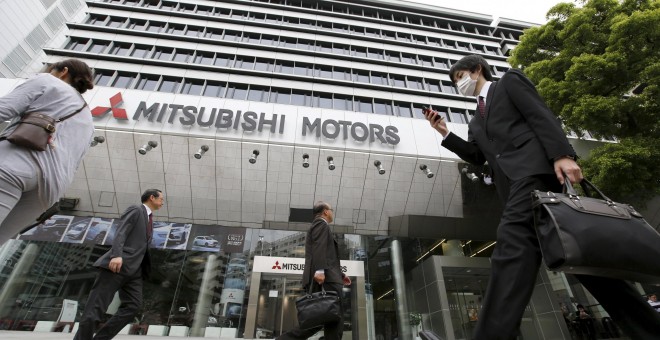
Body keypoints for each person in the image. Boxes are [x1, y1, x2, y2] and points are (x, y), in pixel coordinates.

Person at [422, 54, 660, 339]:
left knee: (511, 245)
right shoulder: (475, 121)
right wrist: (445, 132)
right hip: (513, 190)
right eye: (454, 83)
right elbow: (477, 156)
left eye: (459, 77)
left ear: (476, 70)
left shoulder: (509, 83)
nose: (457, 84)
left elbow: (539, 114)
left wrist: (562, 154)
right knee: (586, 264)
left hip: (536, 175)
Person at [0, 59, 94, 244]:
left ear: (63, 72)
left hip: (14, 164)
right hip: (47, 192)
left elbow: (3, 110)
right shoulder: (89, 121)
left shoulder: (48, 81)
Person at [73, 189, 164, 340]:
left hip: (135, 271)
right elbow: (121, 231)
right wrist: (116, 255)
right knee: (96, 308)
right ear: (152, 198)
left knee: (133, 306)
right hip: (117, 265)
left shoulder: (150, 219)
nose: (162, 203)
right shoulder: (136, 210)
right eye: (161, 199)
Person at [276, 201, 351, 340]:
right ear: (326, 212)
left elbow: (328, 256)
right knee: (335, 319)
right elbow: (319, 247)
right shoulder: (320, 224)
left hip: (329, 277)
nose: (332, 213)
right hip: (327, 279)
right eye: (332, 210)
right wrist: (320, 271)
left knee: (319, 320)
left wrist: (341, 275)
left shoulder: (320, 225)